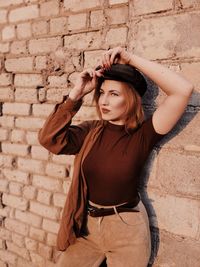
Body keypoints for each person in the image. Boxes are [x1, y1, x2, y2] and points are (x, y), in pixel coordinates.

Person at [38, 47, 193, 267]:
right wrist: (77, 94)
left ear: (130, 99)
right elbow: (49, 139)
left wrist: (130, 58)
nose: (104, 101)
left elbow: (183, 90)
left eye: (114, 94)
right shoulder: (91, 131)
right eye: (102, 92)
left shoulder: (143, 135)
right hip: (86, 226)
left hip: (127, 230)